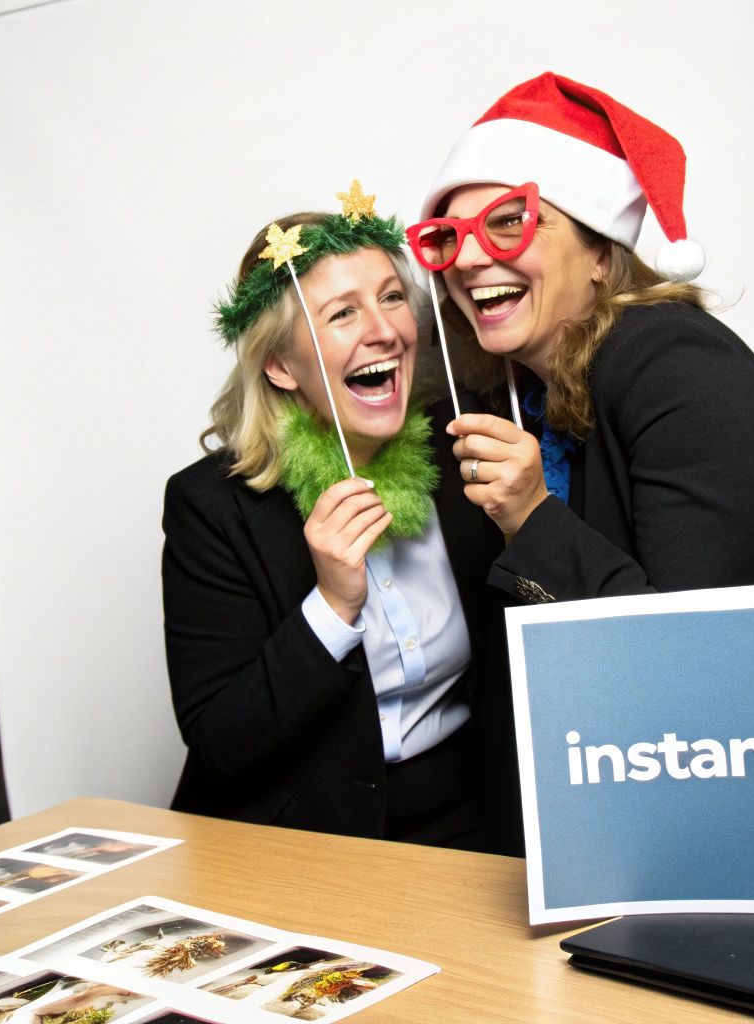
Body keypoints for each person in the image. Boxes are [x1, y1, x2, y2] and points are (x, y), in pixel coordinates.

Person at [411, 73, 754, 604]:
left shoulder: (673, 360)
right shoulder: (515, 395)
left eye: (510, 222)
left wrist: (532, 516)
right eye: (447, 237)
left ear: (602, 255)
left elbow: (687, 642)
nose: (465, 259)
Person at [161, 187, 510, 853]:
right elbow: (220, 748)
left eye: (391, 297)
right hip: (305, 841)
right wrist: (330, 605)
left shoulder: (466, 451)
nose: (383, 329)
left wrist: (528, 517)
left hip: (476, 821)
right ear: (280, 365)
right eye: (342, 313)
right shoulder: (213, 508)